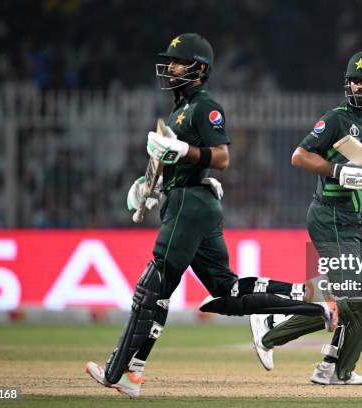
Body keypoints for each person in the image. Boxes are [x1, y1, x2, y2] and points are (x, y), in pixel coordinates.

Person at [85, 33, 336, 398]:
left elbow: (221, 158)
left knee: (151, 289)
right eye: (169, 61)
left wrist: (184, 151)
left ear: (199, 69)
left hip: (190, 205)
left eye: (178, 61)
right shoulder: (177, 112)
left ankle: (120, 372)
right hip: (187, 202)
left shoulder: (205, 107)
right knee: (226, 290)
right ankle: (308, 300)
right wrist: (148, 186)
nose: (170, 68)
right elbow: (173, 164)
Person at [249, 51, 362, 385]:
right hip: (329, 215)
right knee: (351, 296)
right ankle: (270, 330)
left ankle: (338, 368)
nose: (359, 86)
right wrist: (337, 170)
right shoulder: (337, 119)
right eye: (354, 80)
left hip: (355, 219)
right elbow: (299, 156)